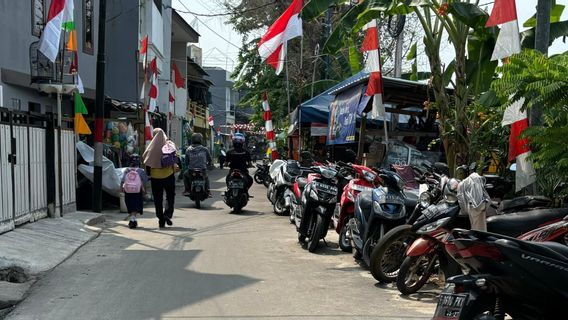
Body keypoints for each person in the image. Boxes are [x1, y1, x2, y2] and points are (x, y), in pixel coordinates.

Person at [142, 128, 177, 229]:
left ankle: (160, 218)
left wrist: (149, 173)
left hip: (155, 177)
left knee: (158, 199)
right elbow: (175, 156)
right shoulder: (169, 144)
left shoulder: (151, 147)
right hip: (169, 175)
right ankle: (167, 214)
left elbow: (145, 159)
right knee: (170, 196)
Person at [121, 155, 148, 229]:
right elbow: (145, 181)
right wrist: (144, 190)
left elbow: (122, 181)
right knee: (136, 206)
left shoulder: (126, 170)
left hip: (128, 191)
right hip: (137, 191)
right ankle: (132, 220)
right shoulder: (141, 171)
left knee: (130, 205)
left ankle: (133, 220)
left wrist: (121, 189)